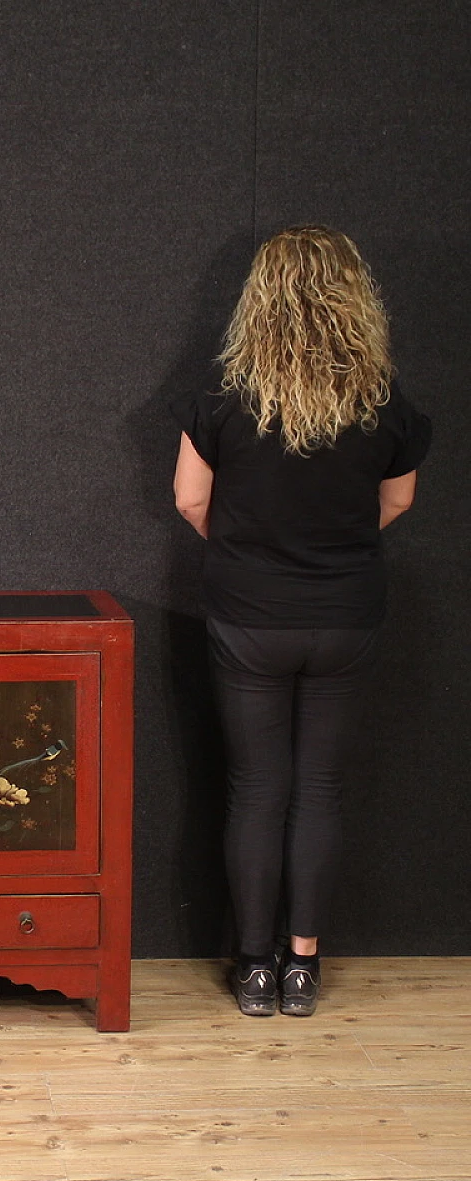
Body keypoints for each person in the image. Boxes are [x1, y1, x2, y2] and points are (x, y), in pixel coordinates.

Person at [172, 225, 431, 1017]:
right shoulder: (386, 407)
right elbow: (399, 501)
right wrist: (331, 547)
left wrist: (253, 549)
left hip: (249, 617)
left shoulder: (222, 403)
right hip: (346, 616)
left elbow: (188, 499)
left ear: (262, 303)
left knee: (256, 789)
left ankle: (252, 966)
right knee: (319, 789)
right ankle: (302, 967)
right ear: (356, 304)